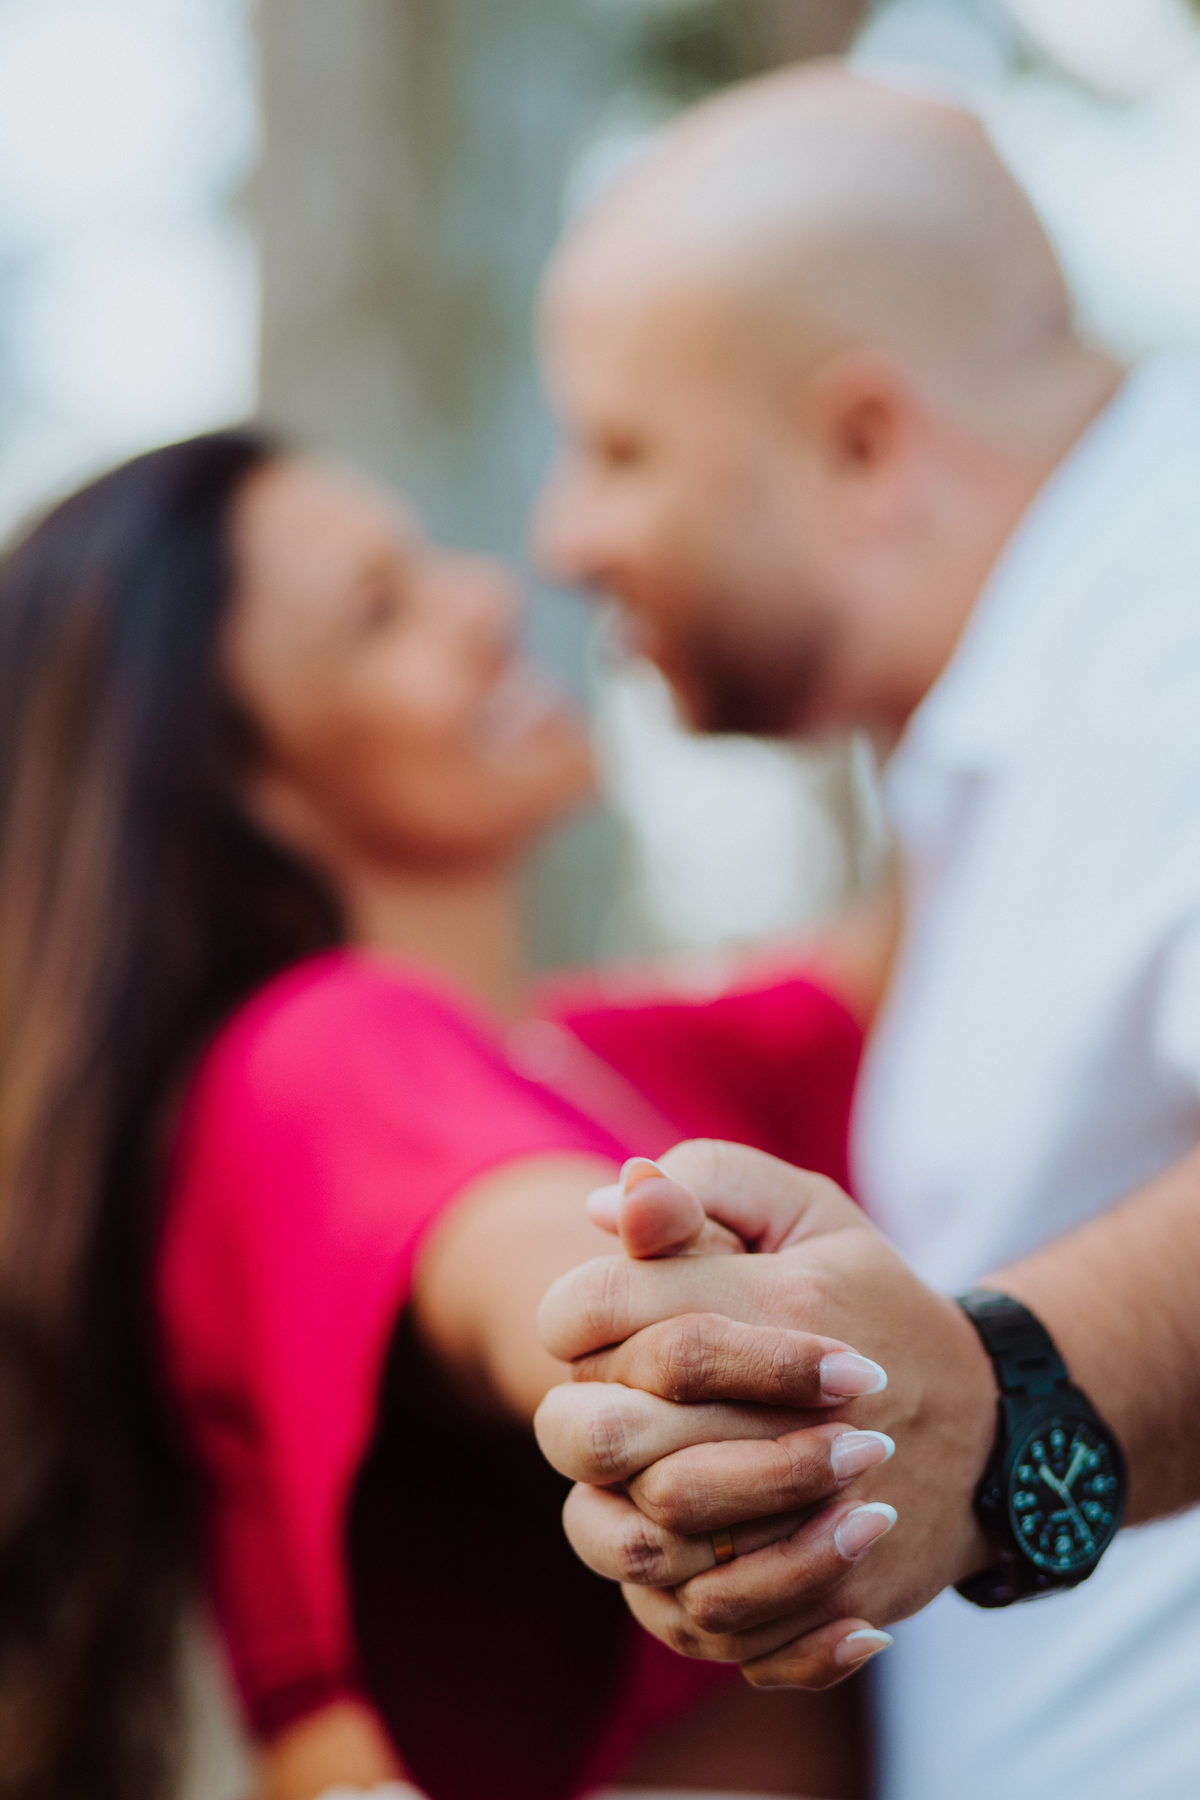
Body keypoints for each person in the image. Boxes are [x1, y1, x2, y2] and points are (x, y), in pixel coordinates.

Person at [0, 430, 880, 1800]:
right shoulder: (315, 1049)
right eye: (382, 610)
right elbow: (541, 1264)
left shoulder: (604, 1054)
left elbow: (920, 932)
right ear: (239, 781)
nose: (486, 595)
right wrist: (660, 1337)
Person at [530, 60, 1200, 1800]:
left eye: (616, 449)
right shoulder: (1026, 723)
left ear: (864, 442)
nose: (563, 535)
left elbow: (982, 1391)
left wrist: (1002, 1396)